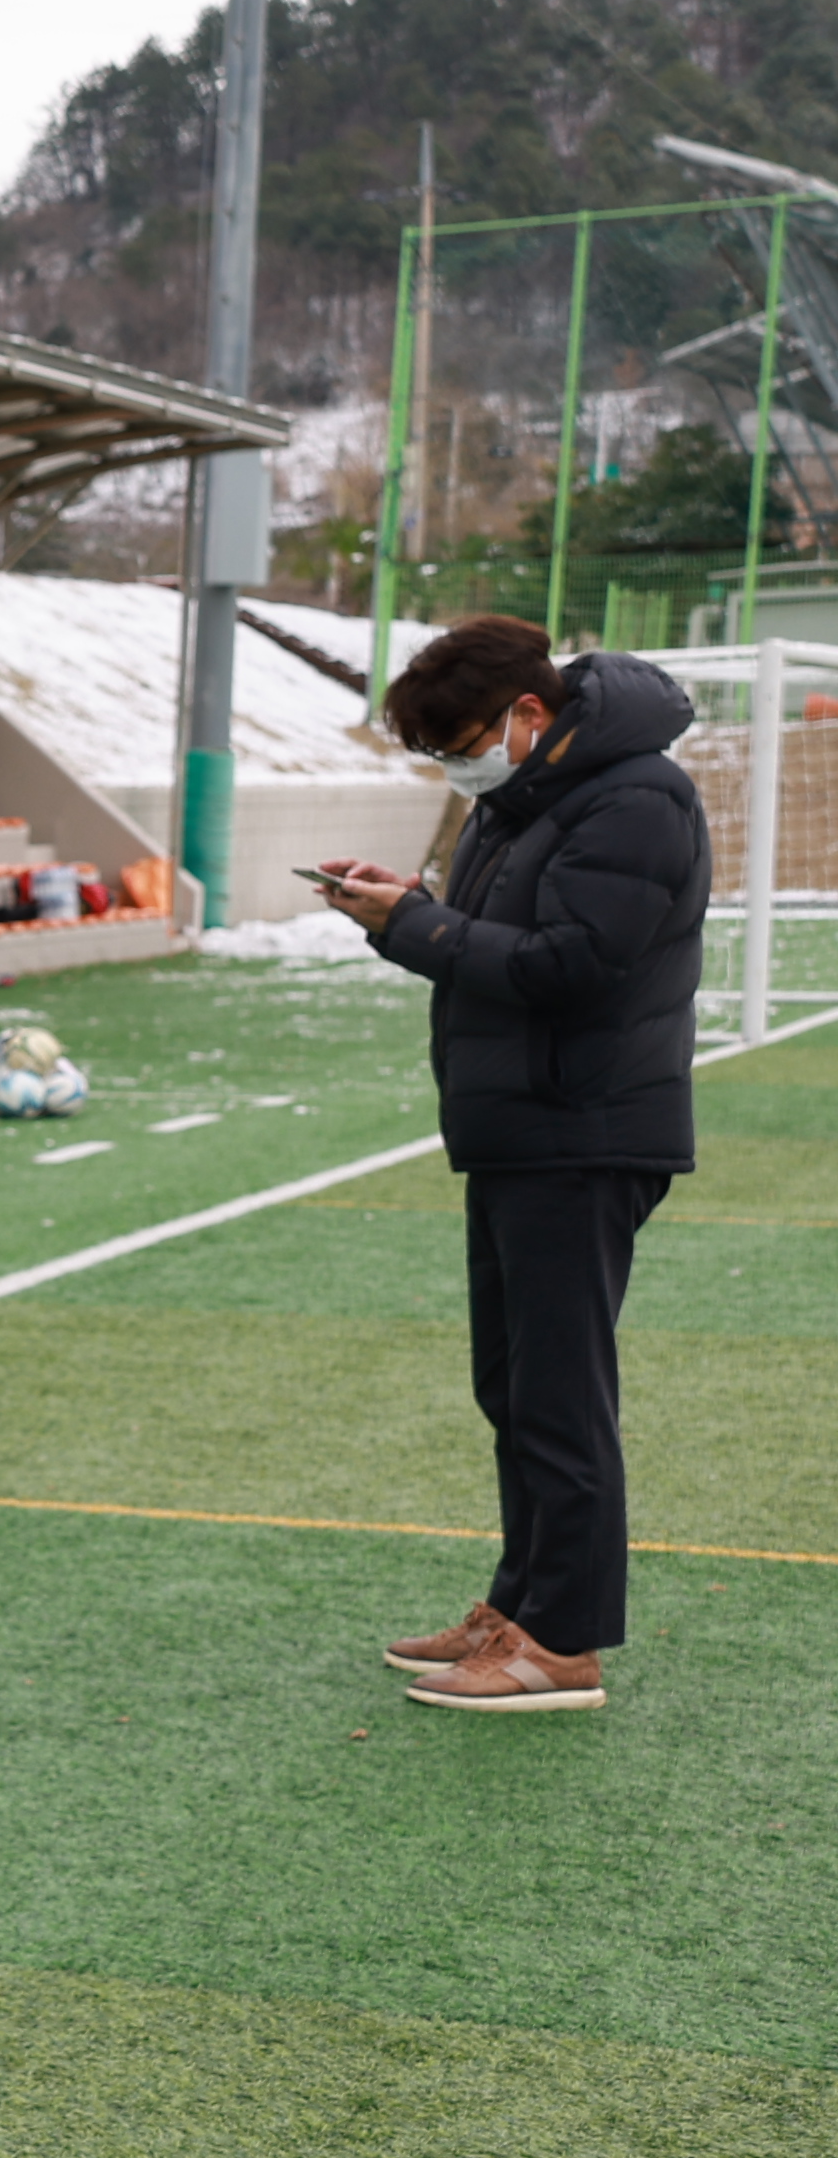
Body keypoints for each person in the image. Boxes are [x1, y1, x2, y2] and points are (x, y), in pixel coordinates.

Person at [312, 618, 711, 1716]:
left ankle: (564, 1644)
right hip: (521, 1129)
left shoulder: (637, 797)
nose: (458, 769)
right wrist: (408, 908)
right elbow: (494, 937)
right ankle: (522, 1604)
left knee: (560, 1396)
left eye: (463, 747)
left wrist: (415, 928)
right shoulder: (526, 794)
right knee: (515, 1386)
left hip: (584, 1129)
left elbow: (570, 966)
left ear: (530, 714)